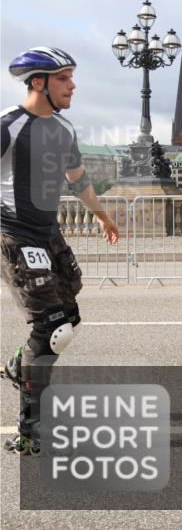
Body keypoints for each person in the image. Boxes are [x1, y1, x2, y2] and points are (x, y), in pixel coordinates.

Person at [1, 47, 119, 455]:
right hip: (15, 235)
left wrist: (102, 216)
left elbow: (78, 178)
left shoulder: (65, 129)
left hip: (49, 233)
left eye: (71, 77)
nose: (73, 85)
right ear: (39, 82)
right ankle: (30, 429)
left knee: (68, 316)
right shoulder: (8, 127)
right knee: (52, 327)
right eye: (64, 78)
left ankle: (22, 366)